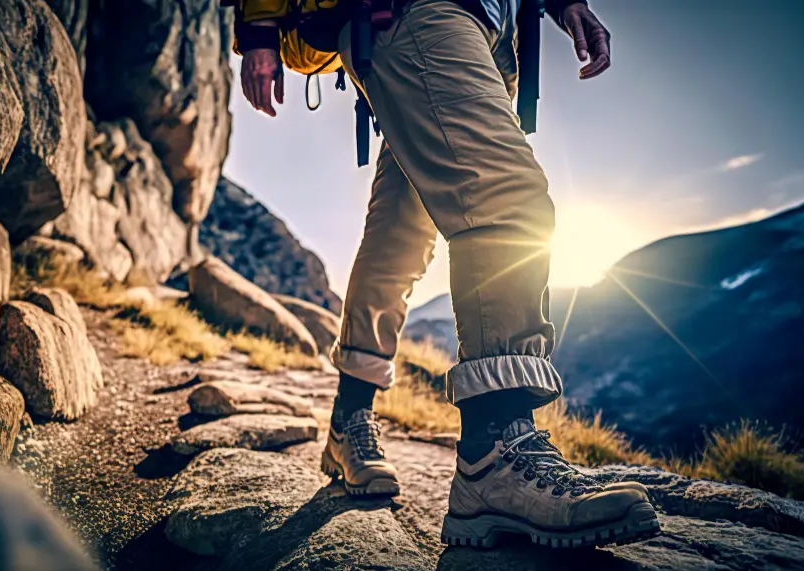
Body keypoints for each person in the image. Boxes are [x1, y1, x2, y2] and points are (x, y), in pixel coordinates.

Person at [236, 0, 661, 549]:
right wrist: (260, 28)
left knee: (400, 233)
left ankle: (349, 419)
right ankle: (495, 450)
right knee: (506, 201)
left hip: (490, 29)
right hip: (415, 12)